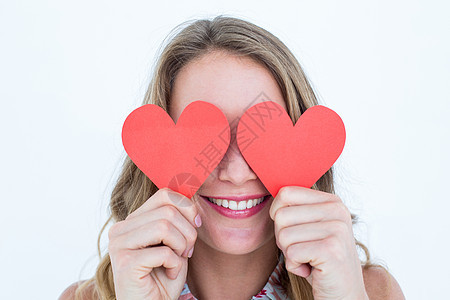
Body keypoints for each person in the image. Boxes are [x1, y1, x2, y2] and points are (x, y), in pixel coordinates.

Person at [59, 15, 405, 300]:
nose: (237, 173)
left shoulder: (369, 293)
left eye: (261, 136)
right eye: (207, 138)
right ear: (158, 150)